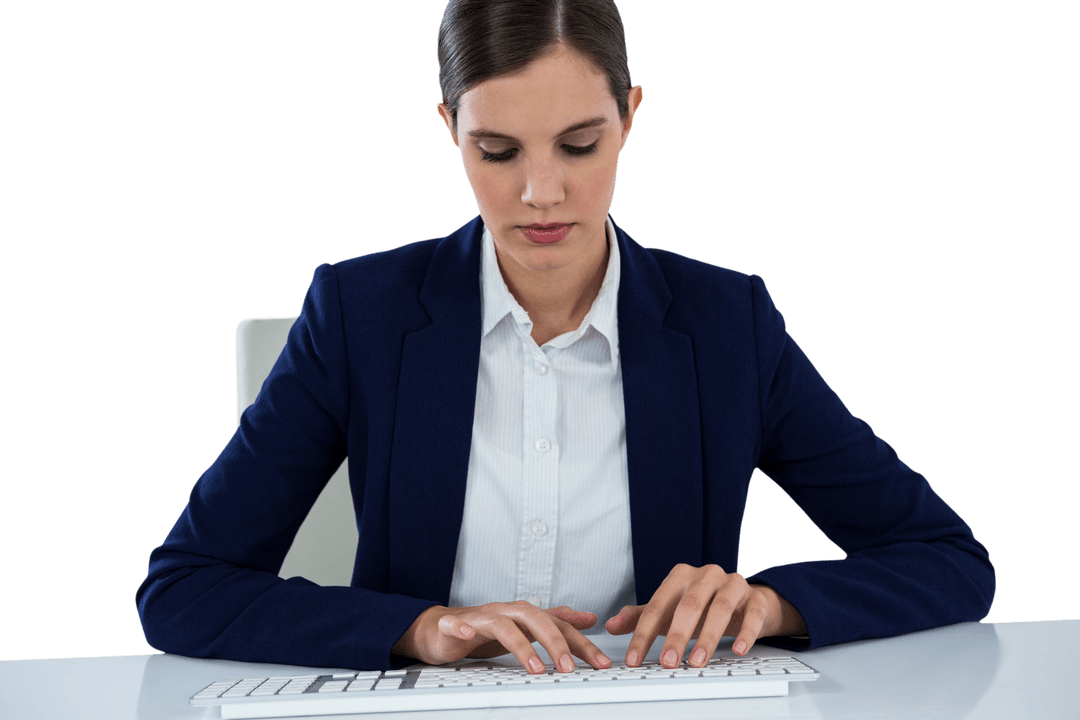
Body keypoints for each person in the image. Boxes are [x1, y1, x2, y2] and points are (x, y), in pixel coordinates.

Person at [136, 0, 994, 676]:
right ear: (448, 131)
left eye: (579, 145)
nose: (541, 192)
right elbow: (183, 588)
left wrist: (767, 608)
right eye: (497, 151)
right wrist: (420, 630)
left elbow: (947, 560)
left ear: (630, 116)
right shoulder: (360, 314)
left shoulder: (728, 323)